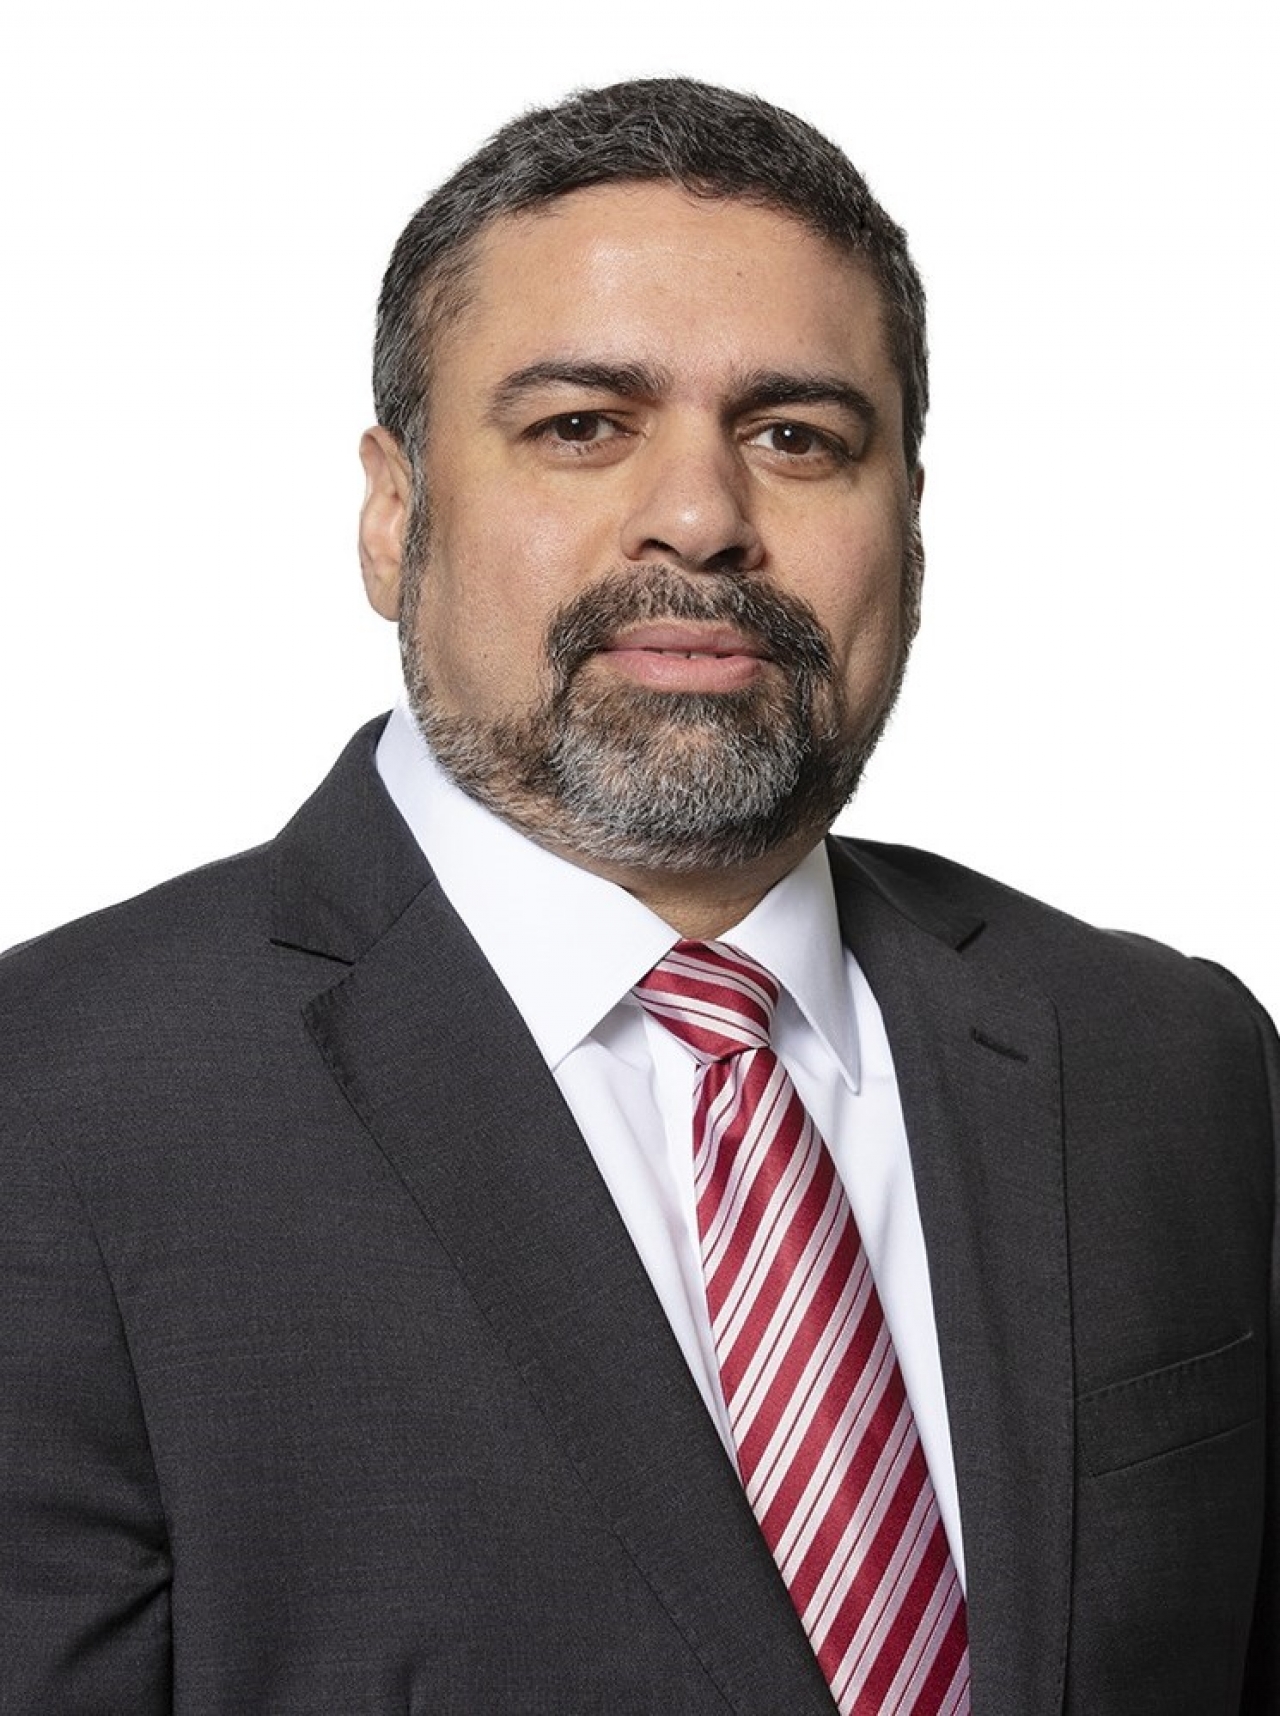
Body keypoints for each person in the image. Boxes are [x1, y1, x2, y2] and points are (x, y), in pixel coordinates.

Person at [0, 76, 1273, 1716]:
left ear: (911, 527)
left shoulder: (1175, 1062)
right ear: (394, 514)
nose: (700, 519)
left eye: (797, 438)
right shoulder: (51, 1111)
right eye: (583, 426)